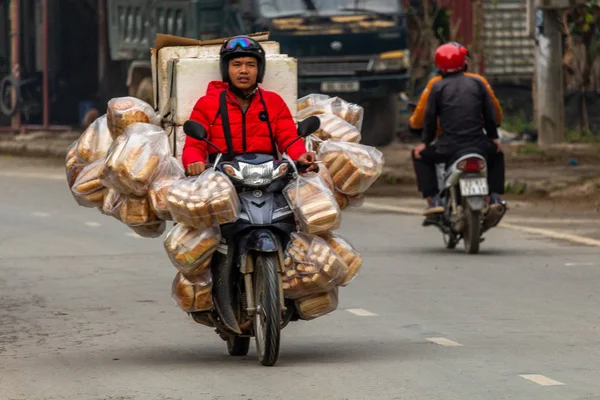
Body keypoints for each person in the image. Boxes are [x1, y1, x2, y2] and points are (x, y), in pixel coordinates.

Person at [182, 35, 316, 175]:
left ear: (259, 70)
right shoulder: (207, 104)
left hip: (269, 178)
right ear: (226, 69)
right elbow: (194, 145)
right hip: (222, 178)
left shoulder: (273, 101)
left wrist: (300, 155)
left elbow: (288, 137)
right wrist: (194, 162)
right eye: (236, 64)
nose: (244, 70)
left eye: (250, 65)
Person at [410, 42, 506, 216]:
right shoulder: (478, 82)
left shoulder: (436, 86)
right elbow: (491, 115)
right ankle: (494, 197)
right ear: (464, 63)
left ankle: (434, 200)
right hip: (479, 145)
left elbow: (429, 118)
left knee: (419, 156)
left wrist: (425, 142)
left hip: (448, 147)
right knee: (497, 153)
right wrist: (493, 138)